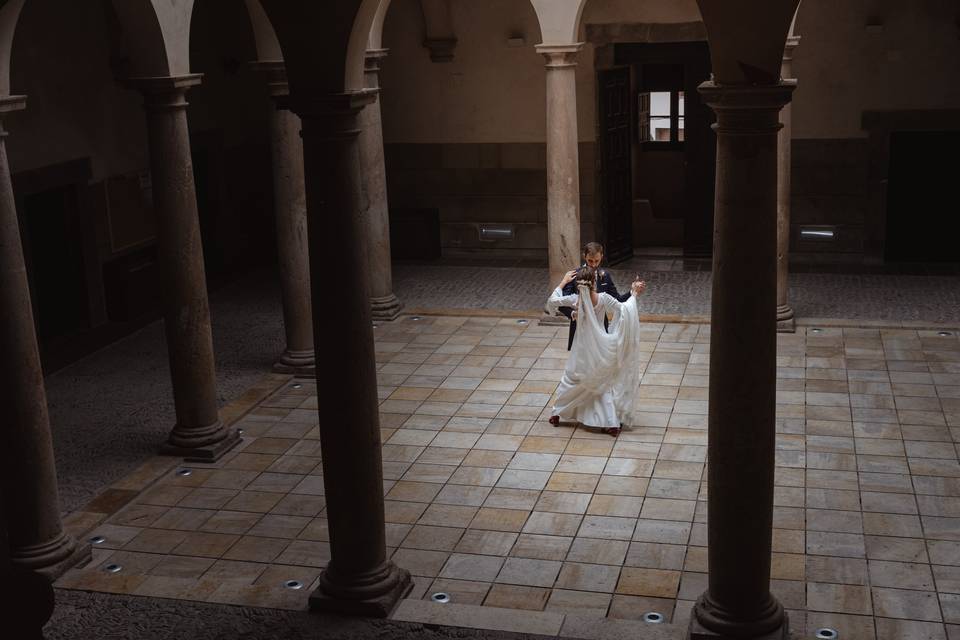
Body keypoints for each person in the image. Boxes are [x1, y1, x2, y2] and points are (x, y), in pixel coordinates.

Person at [545, 265, 646, 437]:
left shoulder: (574, 300)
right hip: (602, 347)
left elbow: (551, 302)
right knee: (602, 382)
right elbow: (624, 309)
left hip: (582, 348)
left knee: (572, 380)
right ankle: (611, 424)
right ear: (594, 283)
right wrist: (634, 292)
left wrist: (562, 283)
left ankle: (556, 414)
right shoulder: (604, 298)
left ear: (578, 284)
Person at [556, 242, 631, 350]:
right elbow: (561, 303)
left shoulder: (605, 276)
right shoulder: (573, 276)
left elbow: (617, 299)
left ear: (601, 256)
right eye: (590, 261)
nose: (594, 264)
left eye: (597, 261)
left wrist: (632, 292)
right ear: (584, 256)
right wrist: (573, 314)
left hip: (601, 330)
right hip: (580, 329)